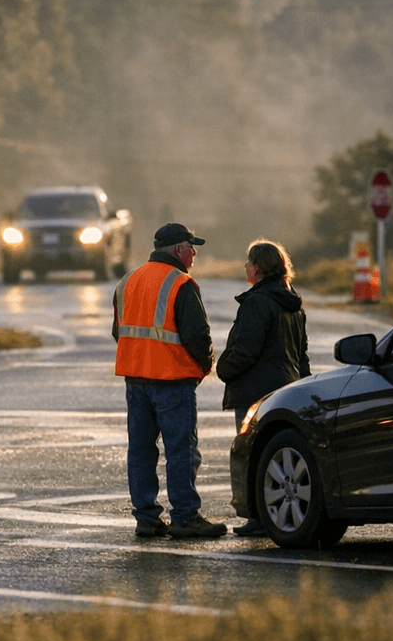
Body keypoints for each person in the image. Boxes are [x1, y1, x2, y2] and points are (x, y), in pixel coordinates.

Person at [112, 222, 227, 539]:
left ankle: (146, 518)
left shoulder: (128, 281)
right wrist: (203, 368)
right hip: (172, 381)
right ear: (178, 249)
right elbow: (198, 337)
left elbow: (118, 332)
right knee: (181, 451)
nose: (194, 254)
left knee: (141, 451)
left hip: (135, 382)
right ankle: (185, 516)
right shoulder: (180, 283)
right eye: (192, 248)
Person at [217, 238, 311, 537]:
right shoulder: (292, 301)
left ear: (256, 268)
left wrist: (223, 370)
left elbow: (246, 349)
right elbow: (301, 352)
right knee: (277, 456)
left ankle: (257, 517)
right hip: (286, 389)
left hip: (255, 392)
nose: (246, 268)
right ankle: (272, 514)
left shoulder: (257, 302)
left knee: (251, 454)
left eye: (248, 263)